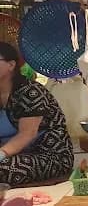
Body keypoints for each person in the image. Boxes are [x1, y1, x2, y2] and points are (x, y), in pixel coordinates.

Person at [0, 42, 74, 185]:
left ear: (11, 65)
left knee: (4, 169)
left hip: (48, 156)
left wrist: (1, 154)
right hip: (13, 155)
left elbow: (27, 134)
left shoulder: (31, 92)